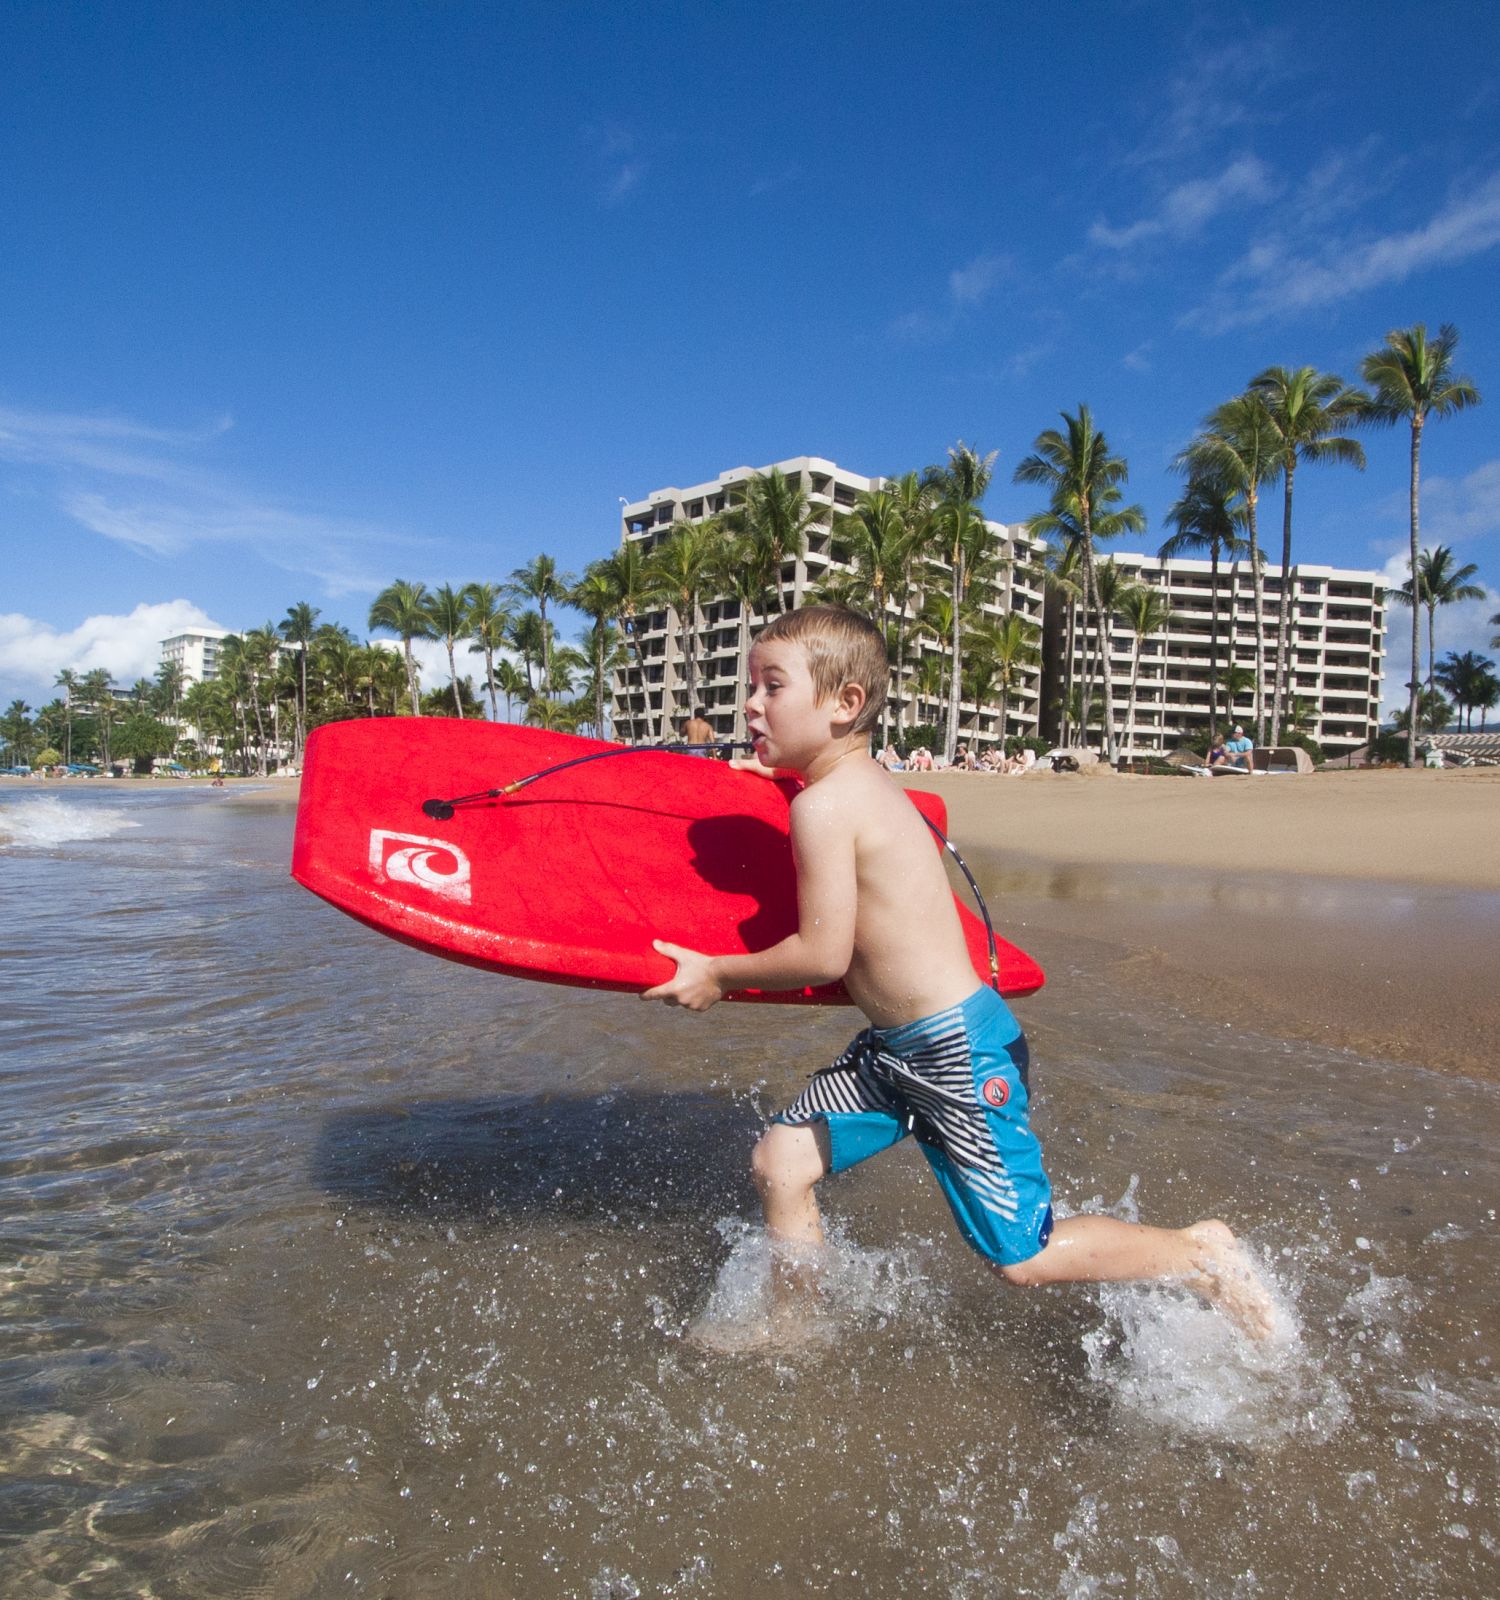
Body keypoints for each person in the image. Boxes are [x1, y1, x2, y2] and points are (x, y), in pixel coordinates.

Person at [644, 604, 1276, 1343]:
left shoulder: (823, 807)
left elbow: (822, 956)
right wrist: (778, 772)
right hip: (895, 1050)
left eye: (772, 686)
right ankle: (794, 1326)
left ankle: (1201, 1254)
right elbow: (849, 821)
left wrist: (716, 974)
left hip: (955, 1050)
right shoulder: (862, 784)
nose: (750, 703)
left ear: (845, 704)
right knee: (781, 1162)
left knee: (1023, 1259)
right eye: (750, 685)